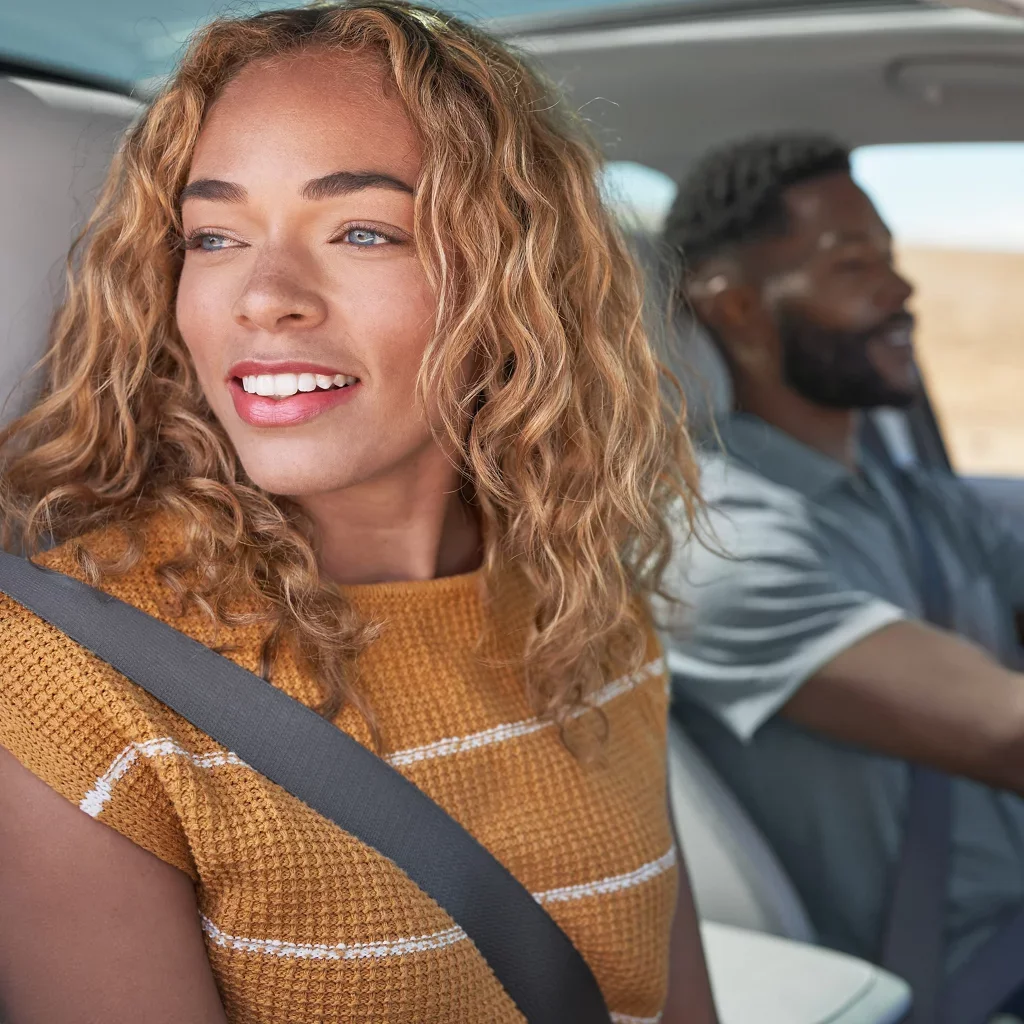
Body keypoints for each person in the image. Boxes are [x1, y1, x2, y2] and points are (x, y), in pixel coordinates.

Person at [0, 4, 716, 1022]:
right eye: (214, 235)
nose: (265, 296)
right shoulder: (68, 684)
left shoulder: (586, 609)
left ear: (511, 280)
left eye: (362, 230)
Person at [657, 131, 1024, 997]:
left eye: (891, 258)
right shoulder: (713, 546)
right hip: (961, 980)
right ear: (736, 307)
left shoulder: (910, 497)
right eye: (853, 264)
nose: (901, 290)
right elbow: (1010, 734)